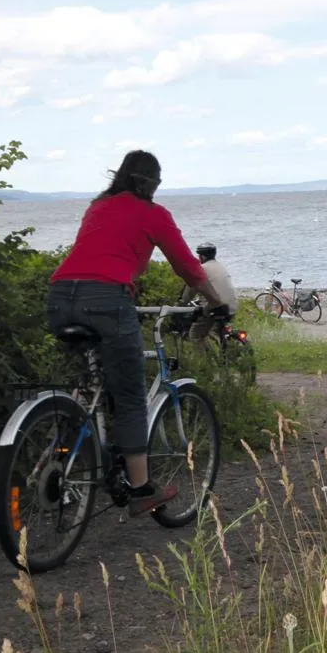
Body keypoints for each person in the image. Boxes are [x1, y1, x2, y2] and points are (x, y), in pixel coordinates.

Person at [46, 150, 226, 515]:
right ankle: (142, 490)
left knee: (91, 379)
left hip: (60, 295)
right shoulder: (153, 214)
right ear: (154, 182)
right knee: (130, 396)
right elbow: (188, 268)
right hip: (107, 300)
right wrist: (217, 302)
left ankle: (63, 445)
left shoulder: (99, 206)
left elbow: (103, 253)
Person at [182, 242, 237, 343]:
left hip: (215, 307)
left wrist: (183, 302)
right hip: (231, 306)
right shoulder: (220, 266)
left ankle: (207, 358)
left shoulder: (201, 268)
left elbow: (191, 290)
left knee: (195, 335)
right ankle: (225, 351)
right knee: (216, 331)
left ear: (201, 256)